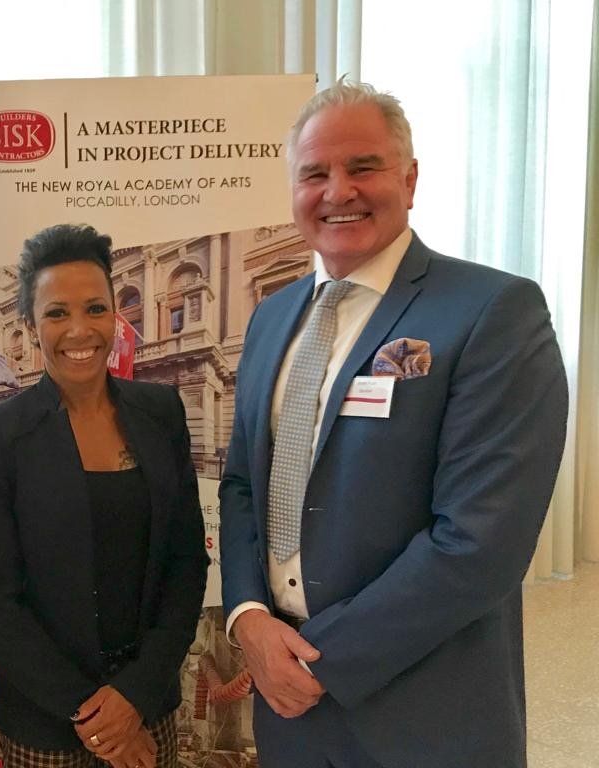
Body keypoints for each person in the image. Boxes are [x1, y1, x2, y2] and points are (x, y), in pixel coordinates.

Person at [219, 79, 568, 768]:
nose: (338, 191)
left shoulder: (493, 312)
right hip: (285, 704)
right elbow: (241, 487)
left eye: (364, 167)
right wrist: (249, 619)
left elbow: (479, 543)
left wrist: (319, 661)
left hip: (421, 707)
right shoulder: (270, 319)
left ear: (409, 180)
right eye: (314, 174)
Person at [0, 224, 208, 768]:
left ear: (115, 315)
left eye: (95, 309)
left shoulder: (161, 412)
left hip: (148, 711)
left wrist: (133, 697)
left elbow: (187, 564)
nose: (79, 330)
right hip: (46, 726)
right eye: (56, 313)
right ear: (30, 326)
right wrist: (98, 719)